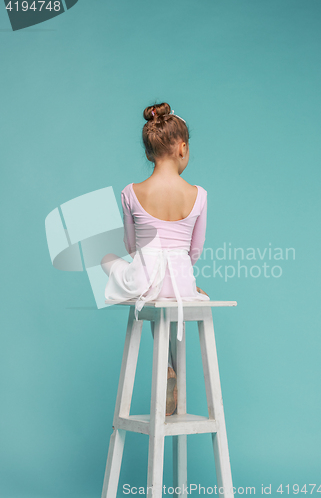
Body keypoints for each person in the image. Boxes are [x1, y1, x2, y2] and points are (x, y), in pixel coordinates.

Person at [101, 101, 209, 416]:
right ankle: (173, 363)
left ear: (149, 152)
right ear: (183, 148)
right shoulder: (198, 194)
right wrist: (186, 278)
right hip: (181, 282)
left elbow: (131, 245)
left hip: (146, 278)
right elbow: (196, 249)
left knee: (110, 258)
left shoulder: (131, 192)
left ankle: (165, 367)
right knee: (171, 297)